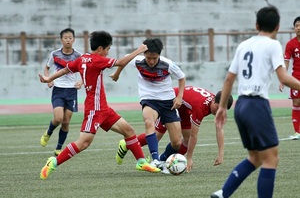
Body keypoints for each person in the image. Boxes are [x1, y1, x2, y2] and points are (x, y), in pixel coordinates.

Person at [38, 30, 161, 180]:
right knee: (83, 143)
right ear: (101, 48)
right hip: (94, 110)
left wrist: (48, 77)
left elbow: (65, 69)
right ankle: (54, 162)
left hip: (104, 109)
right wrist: (140, 50)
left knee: (129, 130)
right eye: (108, 49)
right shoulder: (96, 60)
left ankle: (141, 162)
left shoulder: (83, 58)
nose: (108, 53)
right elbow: (121, 62)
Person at [211, 6, 300, 198]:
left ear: (256, 25)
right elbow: (284, 78)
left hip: (241, 105)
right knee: (271, 159)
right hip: (257, 105)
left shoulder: (243, 45)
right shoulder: (273, 45)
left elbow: (229, 79)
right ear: (277, 26)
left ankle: (223, 193)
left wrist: (222, 108)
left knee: (255, 157)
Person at [115, 86, 233, 173]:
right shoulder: (200, 107)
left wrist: (221, 154)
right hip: (170, 102)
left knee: (183, 141)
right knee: (156, 135)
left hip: (185, 109)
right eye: (216, 108)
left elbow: (219, 128)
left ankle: (162, 161)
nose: (217, 112)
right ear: (213, 101)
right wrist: (189, 158)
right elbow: (194, 135)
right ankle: (126, 143)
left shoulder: (218, 103)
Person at [111, 38, 186, 168]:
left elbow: (182, 77)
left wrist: (179, 97)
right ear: (144, 54)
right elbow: (124, 61)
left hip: (168, 102)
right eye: (148, 58)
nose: (151, 61)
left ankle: (161, 161)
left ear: (159, 55)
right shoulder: (138, 60)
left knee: (177, 143)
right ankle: (155, 159)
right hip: (149, 99)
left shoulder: (167, 64)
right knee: (148, 122)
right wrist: (117, 74)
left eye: (154, 58)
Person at [40, 28, 82, 156]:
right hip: (58, 89)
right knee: (58, 118)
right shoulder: (55, 54)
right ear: (61, 39)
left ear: (74, 40)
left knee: (66, 122)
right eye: (65, 38)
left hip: (71, 91)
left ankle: (58, 147)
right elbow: (47, 68)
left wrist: (81, 81)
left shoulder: (78, 56)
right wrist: (48, 80)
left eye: (70, 38)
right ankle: (48, 132)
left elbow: (84, 71)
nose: (68, 40)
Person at [280, 16, 300, 140]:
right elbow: (286, 62)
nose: (299, 28)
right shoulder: (291, 44)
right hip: (296, 77)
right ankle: (297, 132)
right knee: (296, 102)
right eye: (297, 25)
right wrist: (283, 78)